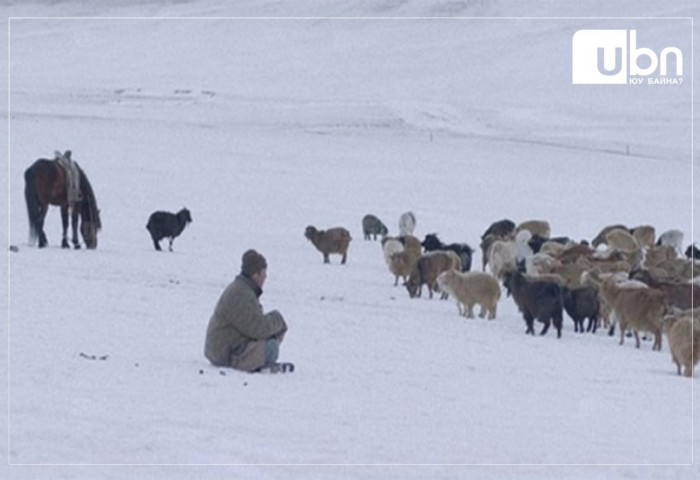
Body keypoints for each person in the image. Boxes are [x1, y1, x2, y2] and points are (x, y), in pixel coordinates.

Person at [204, 249, 290, 373]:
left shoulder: (243, 289)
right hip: (224, 353)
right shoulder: (240, 294)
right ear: (255, 275)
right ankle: (250, 363)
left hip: (224, 347)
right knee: (271, 347)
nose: (265, 278)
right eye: (263, 274)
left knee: (269, 341)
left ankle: (257, 361)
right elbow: (257, 328)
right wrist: (278, 320)